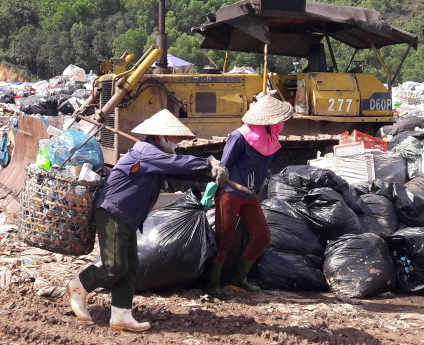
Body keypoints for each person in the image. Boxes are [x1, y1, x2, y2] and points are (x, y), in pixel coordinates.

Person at [66, 109, 228, 332]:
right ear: (161, 136)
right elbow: (176, 163)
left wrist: (207, 171)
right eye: (175, 138)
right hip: (113, 212)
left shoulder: (156, 155)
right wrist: (207, 163)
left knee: (130, 267)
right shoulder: (147, 152)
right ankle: (79, 285)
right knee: (115, 266)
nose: (178, 142)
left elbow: (177, 169)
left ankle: (121, 315)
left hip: (129, 216)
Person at [207, 94, 293, 299]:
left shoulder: (270, 136)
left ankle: (239, 278)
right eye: (278, 120)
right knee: (224, 239)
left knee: (262, 235)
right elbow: (223, 166)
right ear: (267, 121)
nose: (281, 124)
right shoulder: (239, 137)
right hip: (230, 193)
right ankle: (213, 284)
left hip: (250, 194)